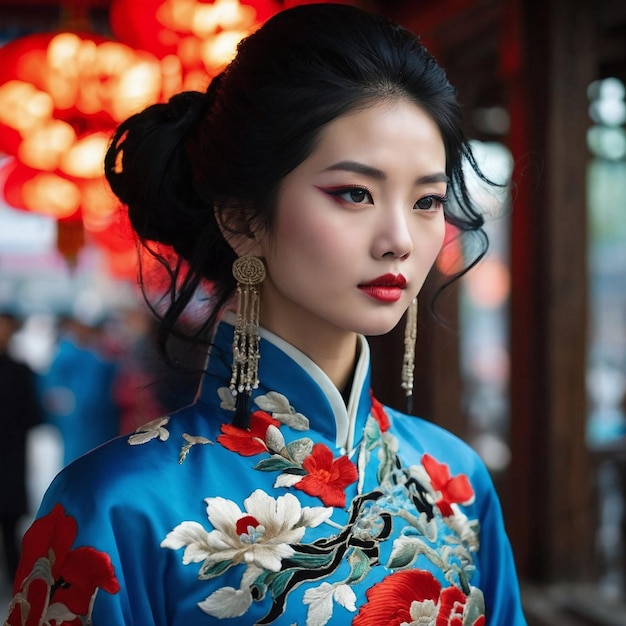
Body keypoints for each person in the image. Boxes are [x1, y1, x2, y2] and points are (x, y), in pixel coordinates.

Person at [5, 4, 527, 624]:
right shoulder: (118, 504)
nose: (401, 239)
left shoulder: (456, 486)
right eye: (354, 193)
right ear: (241, 218)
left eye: (426, 200)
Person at [0, 312, 42, 583]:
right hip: (11, 455)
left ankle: (15, 583)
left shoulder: (19, 370)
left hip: (10, 458)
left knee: (9, 524)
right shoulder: (19, 369)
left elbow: (33, 416)